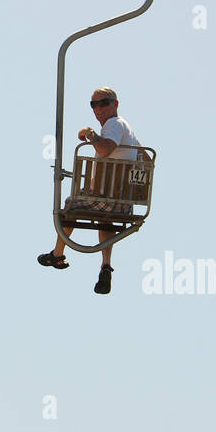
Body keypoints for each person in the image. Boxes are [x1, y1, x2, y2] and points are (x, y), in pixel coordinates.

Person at [38, 87, 141, 294]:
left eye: (104, 103)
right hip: (123, 204)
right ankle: (106, 266)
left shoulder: (113, 125)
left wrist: (90, 133)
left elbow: (104, 149)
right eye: (94, 104)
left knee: (70, 204)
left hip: (106, 197)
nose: (99, 108)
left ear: (116, 104)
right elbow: (146, 159)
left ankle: (58, 253)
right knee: (105, 218)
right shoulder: (127, 128)